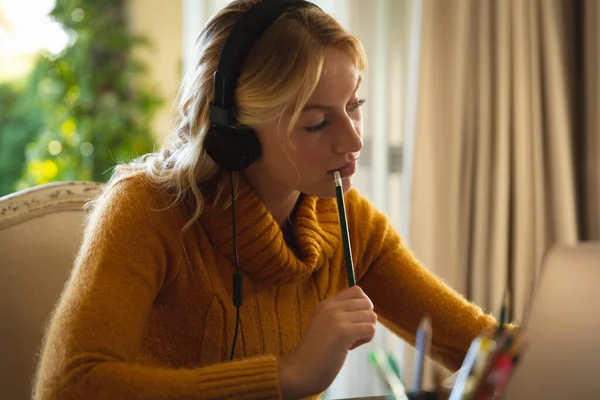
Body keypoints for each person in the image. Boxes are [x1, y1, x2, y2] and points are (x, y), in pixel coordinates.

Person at [33, 1, 501, 399]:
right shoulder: (146, 211)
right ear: (235, 135)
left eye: (354, 106)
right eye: (317, 123)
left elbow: (485, 347)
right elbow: (71, 386)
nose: (353, 141)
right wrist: (286, 377)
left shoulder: (347, 220)